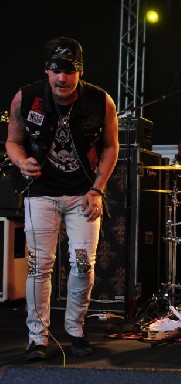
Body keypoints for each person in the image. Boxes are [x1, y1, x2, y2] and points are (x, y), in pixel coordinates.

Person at [5, 37, 119, 361]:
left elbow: (111, 146)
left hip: (83, 193)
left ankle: (76, 330)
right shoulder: (26, 98)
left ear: (80, 72)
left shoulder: (100, 101)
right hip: (41, 193)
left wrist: (98, 189)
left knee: (83, 265)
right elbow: (13, 141)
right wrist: (21, 160)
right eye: (56, 71)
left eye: (70, 71)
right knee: (38, 266)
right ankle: (37, 339)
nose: (62, 79)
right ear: (47, 70)